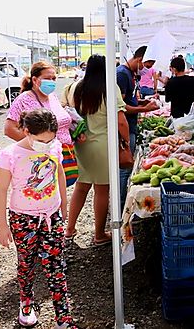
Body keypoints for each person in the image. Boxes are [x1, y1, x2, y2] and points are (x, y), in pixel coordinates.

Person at [0, 109, 76, 329]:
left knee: (56, 266)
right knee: (26, 262)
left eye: (50, 139)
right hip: (23, 219)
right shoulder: (10, 154)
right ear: (26, 131)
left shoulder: (55, 146)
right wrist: (2, 225)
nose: (47, 144)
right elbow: (0, 190)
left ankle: (63, 318)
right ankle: (26, 303)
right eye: (41, 140)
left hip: (51, 215)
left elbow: (59, 173)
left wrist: (64, 206)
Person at [65, 55, 130, 245]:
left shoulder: (76, 87)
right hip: (103, 144)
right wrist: (126, 142)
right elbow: (120, 121)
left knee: (81, 186)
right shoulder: (110, 88)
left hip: (81, 143)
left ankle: (69, 229)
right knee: (102, 190)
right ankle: (99, 234)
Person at [5, 61, 80, 188]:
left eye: (53, 78)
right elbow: (9, 129)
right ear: (35, 79)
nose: (51, 81)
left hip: (63, 153)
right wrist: (36, 145)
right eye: (47, 78)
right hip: (40, 158)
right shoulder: (24, 99)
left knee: (59, 190)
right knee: (45, 191)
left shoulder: (52, 97)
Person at [117, 46, 158, 203]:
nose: (146, 70)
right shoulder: (122, 74)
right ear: (140, 60)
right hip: (125, 127)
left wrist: (141, 102)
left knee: (126, 169)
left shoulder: (129, 74)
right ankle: (120, 205)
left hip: (130, 125)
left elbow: (128, 100)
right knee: (124, 169)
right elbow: (120, 107)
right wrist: (142, 108)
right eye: (146, 66)